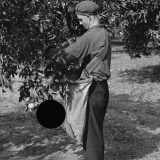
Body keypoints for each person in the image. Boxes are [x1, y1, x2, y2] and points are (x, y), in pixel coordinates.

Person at [50, 1, 111, 159]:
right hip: (101, 89)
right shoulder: (104, 32)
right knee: (93, 131)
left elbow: (64, 57)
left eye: (80, 19)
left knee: (91, 134)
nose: (80, 22)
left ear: (89, 17)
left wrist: (50, 50)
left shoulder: (90, 36)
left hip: (92, 90)